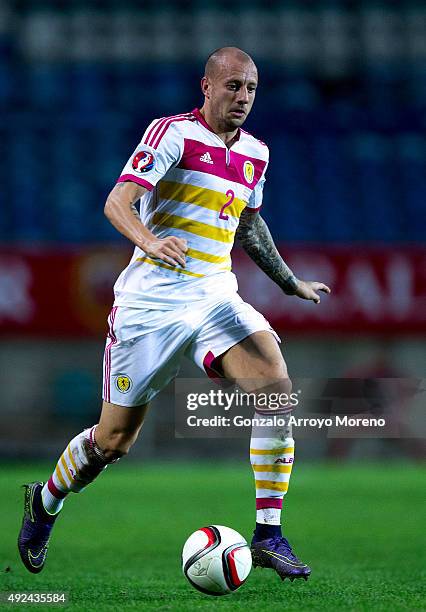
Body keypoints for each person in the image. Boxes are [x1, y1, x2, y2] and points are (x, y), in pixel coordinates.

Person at [18, 47, 330, 581]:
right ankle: (45, 501)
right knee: (114, 441)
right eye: (232, 86)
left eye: (251, 88)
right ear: (206, 86)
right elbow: (118, 202)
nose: (243, 98)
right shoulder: (172, 134)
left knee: (276, 386)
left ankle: (269, 535)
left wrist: (289, 282)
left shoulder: (256, 152)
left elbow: (249, 225)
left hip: (213, 296)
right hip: (150, 302)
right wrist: (150, 239)